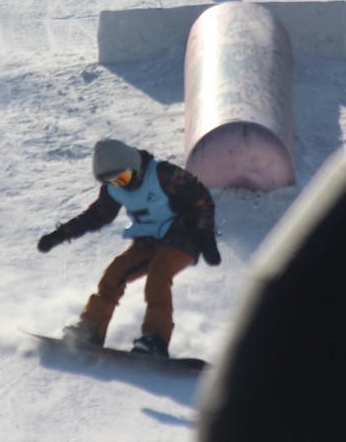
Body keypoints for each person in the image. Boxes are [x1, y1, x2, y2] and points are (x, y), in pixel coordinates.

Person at [37, 138, 221, 358]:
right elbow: (98, 214)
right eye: (113, 181)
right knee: (113, 274)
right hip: (147, 243)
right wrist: (61, 234)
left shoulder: (163, 175)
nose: (121, 184)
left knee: (158, 275)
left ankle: (155, 339)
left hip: (183, 240)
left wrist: (207, 238)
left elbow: (200, 198)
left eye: (123, 177)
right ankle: (90, 330)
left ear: (133, 167)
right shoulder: (114, 188)